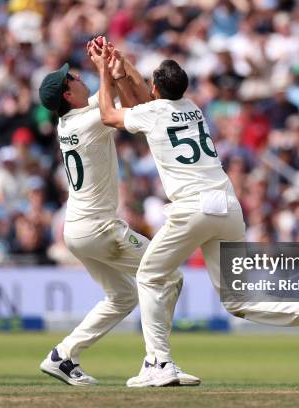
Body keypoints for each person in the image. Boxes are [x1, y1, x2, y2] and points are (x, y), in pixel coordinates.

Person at [91, 44, 299, 388]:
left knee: (148, 276)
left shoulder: (155, 110)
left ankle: (159, 363)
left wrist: (105, 71)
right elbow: (144, 101)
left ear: (156, 89)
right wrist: (122, 66)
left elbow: (109, 115)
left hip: (193, 208)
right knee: (237, 299)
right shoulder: (192, 108)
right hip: (227, 205)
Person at [36, 38, 199, 387]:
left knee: (123, 296)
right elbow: (115, 112)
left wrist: (116, 68)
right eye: (73, 79)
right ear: (67, 95)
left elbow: (122, 103)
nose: (78, 78)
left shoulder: (73, 121)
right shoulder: (84, 122)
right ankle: (156, 362)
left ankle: (63, 355)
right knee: (169, 277)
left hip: (78, 230)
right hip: (99, 229)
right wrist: (106, 70)